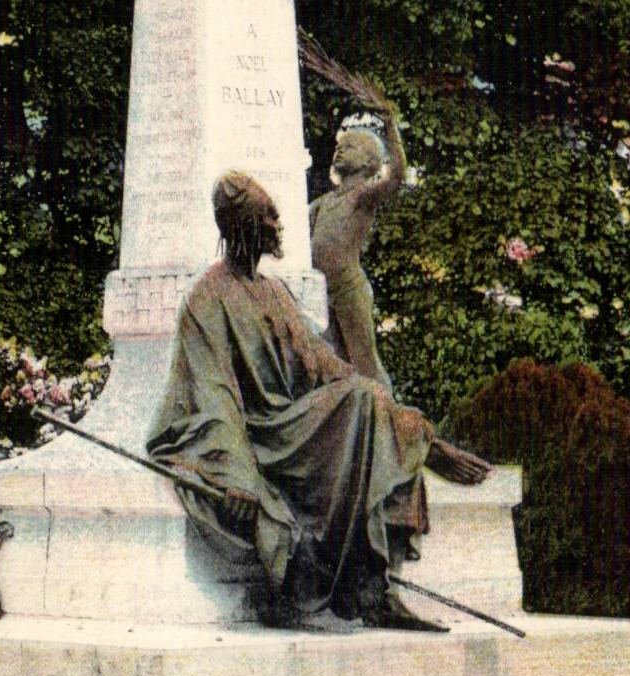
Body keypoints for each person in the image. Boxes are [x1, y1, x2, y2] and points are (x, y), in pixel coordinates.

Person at [147, 173, 489, 630]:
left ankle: (372, 586)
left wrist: (420, 436)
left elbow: (323, 365)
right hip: (260, 434)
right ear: (246, 227)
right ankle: (336, 586)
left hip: (289, 423)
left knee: (364, 398)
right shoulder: (207, 297)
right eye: (269, 216)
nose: (280, 224)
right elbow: (215, 400)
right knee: (360, 401)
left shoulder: (274, 291)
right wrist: (239, 479)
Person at [309, 110, 406, 395]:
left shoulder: (363, 196)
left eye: (348, 147)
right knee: (334, 362)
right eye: (338, 147)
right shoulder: (324, 202)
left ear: (367, 161)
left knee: (365, 362)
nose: (339, 151)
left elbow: (398, 176)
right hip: (322, 292)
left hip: (349, 288)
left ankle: (391, 418)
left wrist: (390, 127)